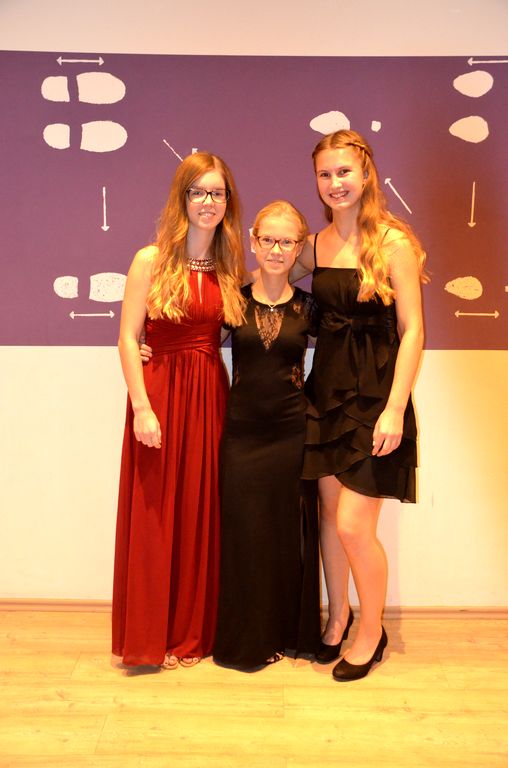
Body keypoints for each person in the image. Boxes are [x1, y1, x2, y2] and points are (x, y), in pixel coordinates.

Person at [291, 129, 427, 681]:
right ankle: (338, 617)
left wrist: (395, 408)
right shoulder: (314, 246)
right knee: (330, 517)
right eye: (325, 174)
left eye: (344, 171)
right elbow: (264, 284)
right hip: (325, 395)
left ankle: (371, 629)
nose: (335, 183)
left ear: (366, 174)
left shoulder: (393, 243)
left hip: (377, 399)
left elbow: (413, 331)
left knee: (353, 524)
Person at [112, 152, 245, 670]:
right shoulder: (151, 259)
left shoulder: (229, 267)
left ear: (227, 201)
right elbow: (127, 339)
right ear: (182, 197)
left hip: (210, 397)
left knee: (198, 513)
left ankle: (191, 635)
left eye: (217, 193)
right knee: (156, 514)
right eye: (198, 191)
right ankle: (151, 636)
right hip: (160, 396)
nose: (208, 201)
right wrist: (142, 407)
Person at [212, 201, 321, 669]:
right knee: (244, 534)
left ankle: (282, 634)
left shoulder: (310, 307)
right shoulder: (232, 300)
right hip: (241, 435)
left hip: (290, 434)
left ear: (299, 247)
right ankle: (245, 638)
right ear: (253, 241)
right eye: (268, 240)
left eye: (287, 241)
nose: (277, 250)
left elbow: (343, 352)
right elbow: (194, 343)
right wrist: (145, 345)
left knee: (282, 536)